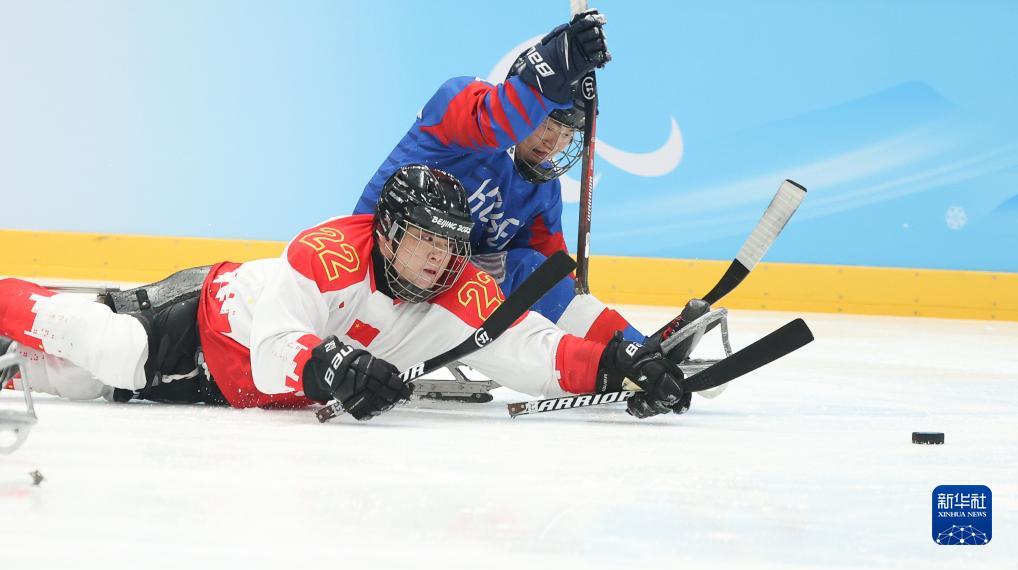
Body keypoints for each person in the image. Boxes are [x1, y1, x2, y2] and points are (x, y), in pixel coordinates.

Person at [0, 166, 687, 433]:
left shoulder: (461, 290)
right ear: (386, 233)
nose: (439, 257)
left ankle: (10, 364)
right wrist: (334, 365)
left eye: (451, 243)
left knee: (79, 384)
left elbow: (536, 353)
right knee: (115, 351)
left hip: (235, 396)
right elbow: (273, 349)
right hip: (210, 323)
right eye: (424, 238)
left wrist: (618, 362)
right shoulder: (327, 252)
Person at [353, 11, 677, 347]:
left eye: (567, 134)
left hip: (436, 288)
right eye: (548, 126)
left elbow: (553, 276)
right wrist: (555, 62)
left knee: (538, 272)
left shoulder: (541, 189)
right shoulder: (459, 105)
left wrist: (591, 327)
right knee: (521, 271)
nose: (554, 143)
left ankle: (633, 349)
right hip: (374, 274)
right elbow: (497, 121)